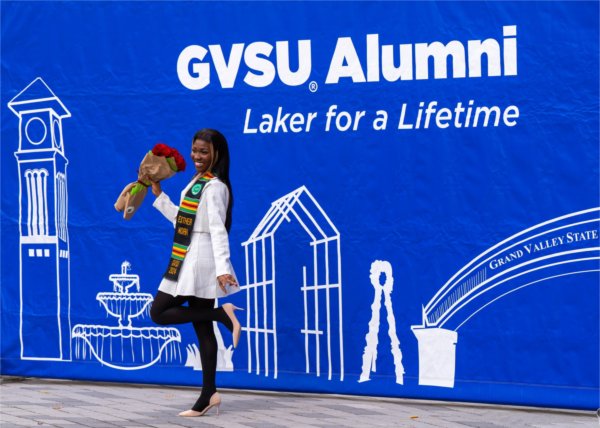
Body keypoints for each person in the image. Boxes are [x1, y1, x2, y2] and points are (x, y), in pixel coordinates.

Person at [149, 128, 241, 417]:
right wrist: (160, 197)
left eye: (204, 151)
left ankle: (219, 316)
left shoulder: (215, 187)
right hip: (187, 252)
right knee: (202, 328)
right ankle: (209, 394)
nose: (197, 156)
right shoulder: (198, 182)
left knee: (159, 312)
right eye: (195, 150)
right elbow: (184, 220)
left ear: (216, 154)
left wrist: (223, 268)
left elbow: (217, 228)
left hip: (201, 258)